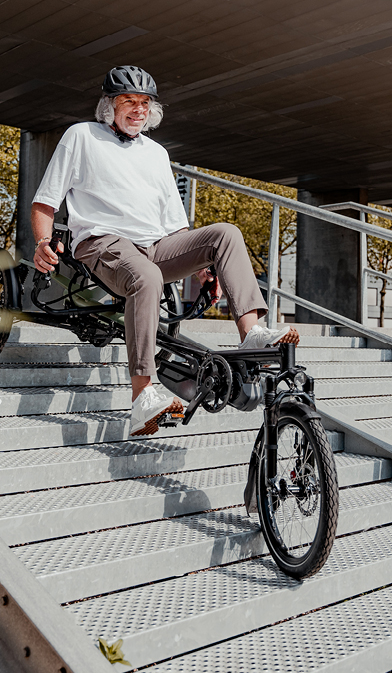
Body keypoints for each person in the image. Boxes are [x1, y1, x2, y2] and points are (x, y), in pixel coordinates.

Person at [31, 65, 299, 437]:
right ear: (110, 105)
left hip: (154, 246)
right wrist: (43, 242)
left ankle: (251, 331)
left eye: (144, 103)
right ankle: (143, 396)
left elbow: (176, 224)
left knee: (225, 234)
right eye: (129, 101)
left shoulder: (157, 153)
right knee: (146, 276)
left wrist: (204, 268)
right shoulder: (82, 136)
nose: (138, 109)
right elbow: (44, 202)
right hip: (102, 242)